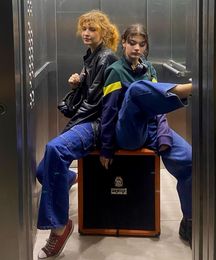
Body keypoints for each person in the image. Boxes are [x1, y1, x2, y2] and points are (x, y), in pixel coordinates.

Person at [36, 10, 119, 259]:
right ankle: (70, 178)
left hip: (95, 124)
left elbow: (104, 106)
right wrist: (78, 83)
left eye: (92, 29)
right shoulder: (91, 56)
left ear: (103, 32)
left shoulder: (107, 58)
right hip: (83, 119)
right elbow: (88, 95)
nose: (86, 32)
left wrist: (106, 146)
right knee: (43, 171)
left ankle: (59, 227)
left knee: (55, 149)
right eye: (84, 28)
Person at [99, 24, 192, 247]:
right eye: (132, 43)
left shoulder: (149, 68)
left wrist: (163, 137)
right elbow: (109, 111)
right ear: (123, 43)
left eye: (142, 44)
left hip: (150, 128)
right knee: (136, 90)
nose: (137, 48)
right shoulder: (115, 71)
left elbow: (157, 106)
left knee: (190, 160)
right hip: (128, 132)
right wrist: (106, 148)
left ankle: (189, 220)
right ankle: (187, 89)